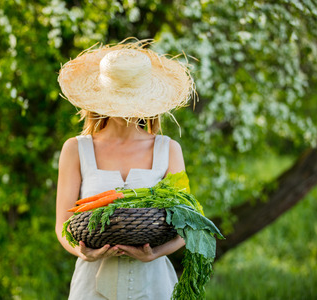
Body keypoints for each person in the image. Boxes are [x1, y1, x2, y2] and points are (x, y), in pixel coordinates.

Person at [55, 38, 195, 300]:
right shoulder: (76, 149)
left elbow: (188, 225)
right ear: (100, 96)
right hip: (90, 286)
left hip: (153, 285)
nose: (126, 107)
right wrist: (82, 251)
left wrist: (154, 253)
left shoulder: (168, 150)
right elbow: (62, 226)